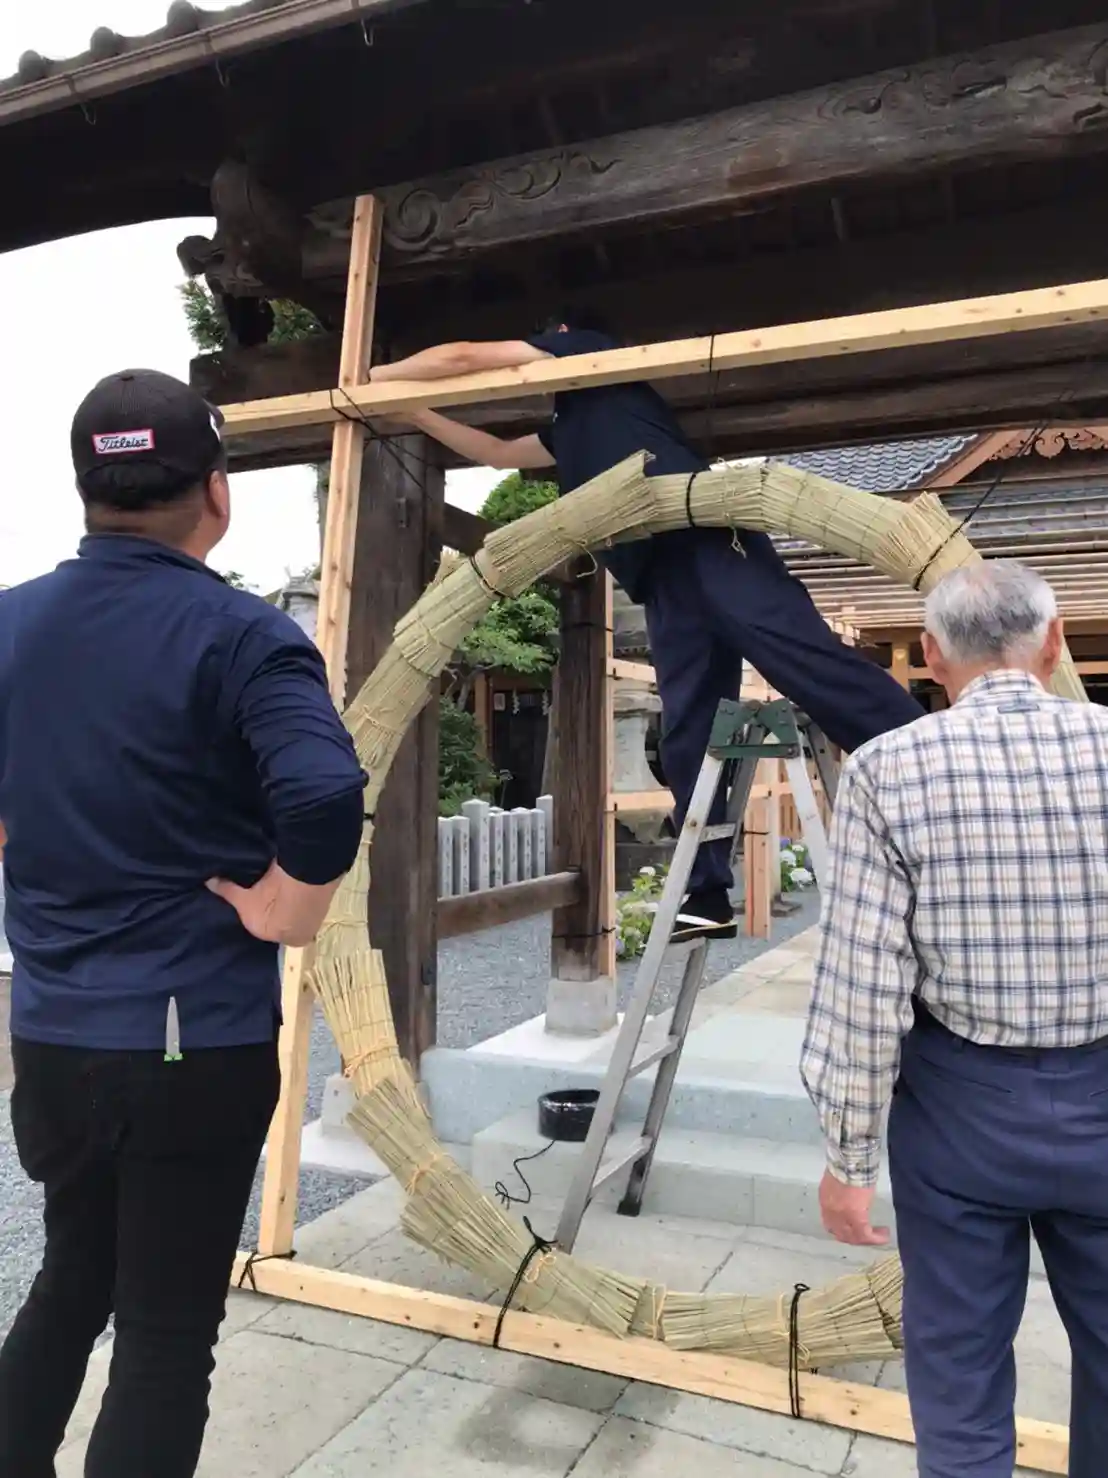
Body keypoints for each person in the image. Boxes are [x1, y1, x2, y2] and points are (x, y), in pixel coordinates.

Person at [0, 370, 367, 1478]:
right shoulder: (243, 634)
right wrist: (286, 909)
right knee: (165, 1335)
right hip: (191, 1039)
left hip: (53, 1037)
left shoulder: (9, 626)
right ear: (216, 492)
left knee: (72, 1278)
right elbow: (323, 793)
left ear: (86, 489)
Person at [370, 314, 924, 939]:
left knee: (807, 663)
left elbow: (467, 354)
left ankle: (944, 760)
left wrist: (381, 376)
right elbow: (494, 453)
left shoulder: (598, 362)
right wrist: (413, 411)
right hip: (662, 580)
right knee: (687, 731)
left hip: (710, 543)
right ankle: (707, 894)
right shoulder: (565, 430)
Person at [801, 560, 1108, 1478]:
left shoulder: (887, 769)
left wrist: (849, 1159)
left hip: (959, 1116)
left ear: (932, 656)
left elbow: (863, 985)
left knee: (959, 1369)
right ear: (1053, 644)